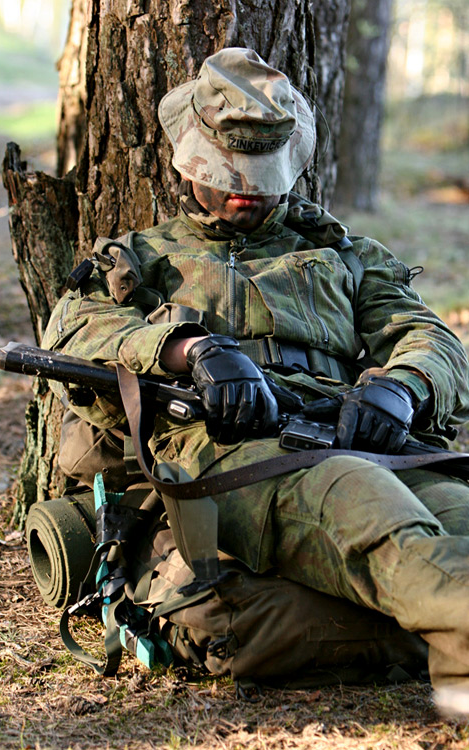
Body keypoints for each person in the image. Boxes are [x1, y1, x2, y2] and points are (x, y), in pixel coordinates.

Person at [42, 47, 469, 714]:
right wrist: (189, 348)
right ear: (190, 160)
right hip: (232, 457)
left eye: (263, 172)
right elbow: (74, 333)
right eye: (228, 170)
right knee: (367, 510)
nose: (247, 187)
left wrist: (402, 386)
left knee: (457, 516)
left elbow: (432, 340)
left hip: (365, 441)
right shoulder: (137, 261)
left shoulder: (343, 255)